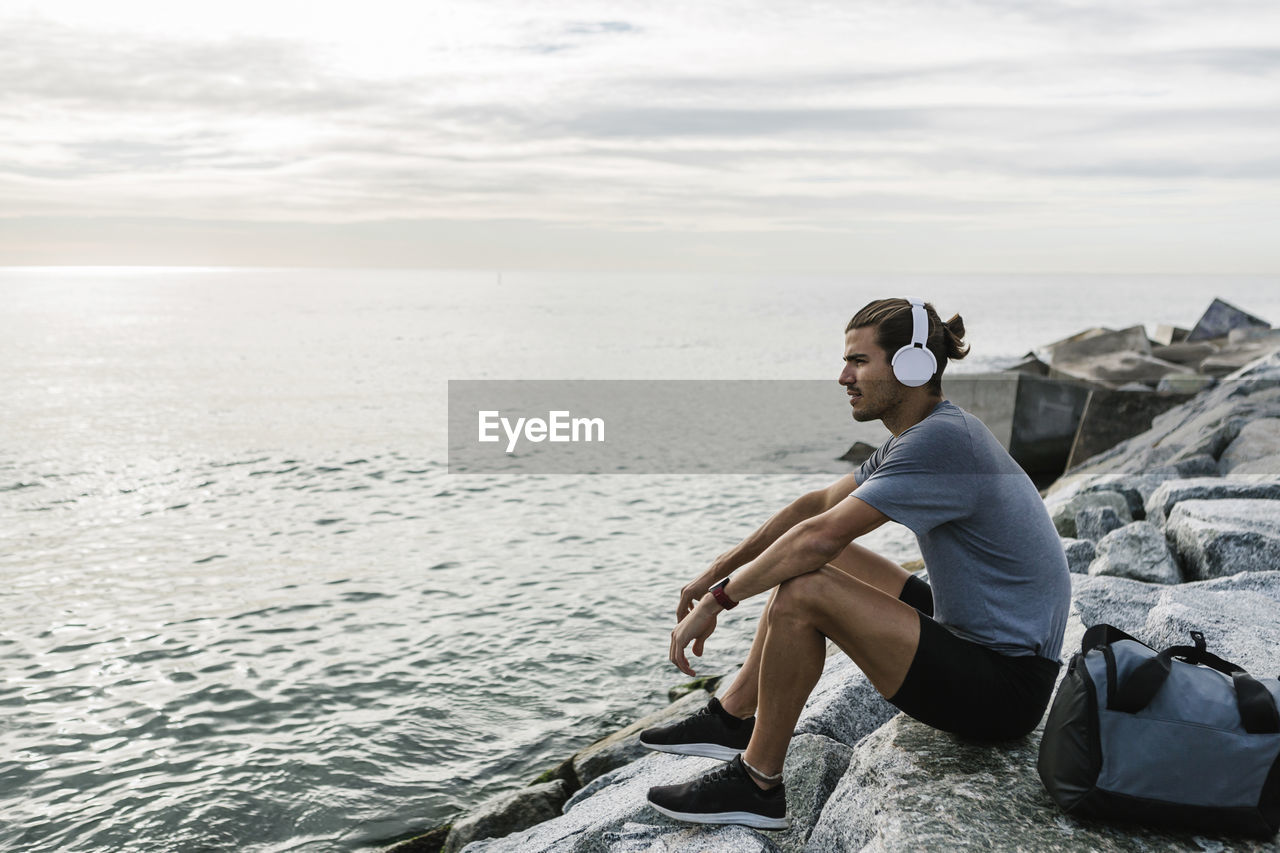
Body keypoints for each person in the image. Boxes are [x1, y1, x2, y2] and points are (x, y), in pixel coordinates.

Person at [641, 297, 1072, 830]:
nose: (843, 375)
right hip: (978, 637)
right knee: (816, 555)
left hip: (1005, 687)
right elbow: (814, 508)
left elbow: (816, 537)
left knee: (804, 588)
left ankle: (757, 782)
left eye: (859, 361)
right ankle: (731, 718)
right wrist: (713, 571)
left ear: (913, 365)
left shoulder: (941, 442)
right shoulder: (925, 432)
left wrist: (718, 601)